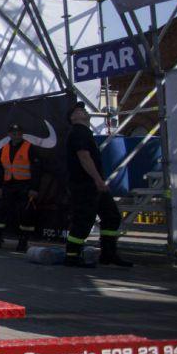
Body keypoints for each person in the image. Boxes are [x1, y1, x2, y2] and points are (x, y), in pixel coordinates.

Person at [65, 102, 132, 268]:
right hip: (85, 185)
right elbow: (84, 157)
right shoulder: (78, 132)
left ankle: (108, 253)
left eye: (83, 108)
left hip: (93, 184)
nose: (83, 110)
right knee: (83, 219)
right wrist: (98, 179)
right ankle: (72, 255)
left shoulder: (85, 133)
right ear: (72, 118)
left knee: (111, 216)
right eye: (78, 110)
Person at [0, 122, 41, 252]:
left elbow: (37, 170)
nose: (16, 135)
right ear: (9, 134)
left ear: (22, 134)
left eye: (18, 133)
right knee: (0, 211)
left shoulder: (29, 148)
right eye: (13, 133)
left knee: (25, 214)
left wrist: (34, 188)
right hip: (7, 185)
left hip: (25, 185)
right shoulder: (4, 149)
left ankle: (23, 241)